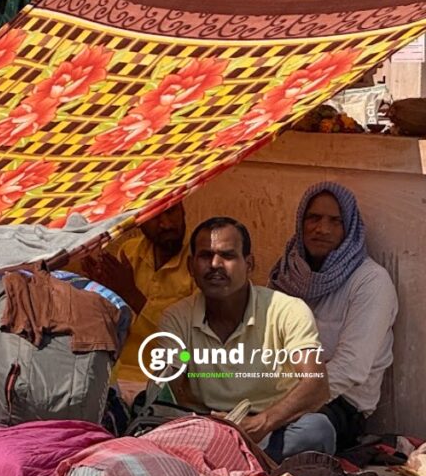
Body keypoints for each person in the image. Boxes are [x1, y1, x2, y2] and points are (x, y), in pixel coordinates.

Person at [157, 217, 334, 461]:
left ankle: (226, 463)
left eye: (227, 256)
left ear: (249, 264)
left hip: (270, 429)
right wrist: (208, 425)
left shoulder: (287, 310)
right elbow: (166, 388)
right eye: (205, 256)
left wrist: (260, 423)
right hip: (206, 430)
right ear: (191, 266)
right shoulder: (177, 318)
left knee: (316, 431)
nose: (215, 265)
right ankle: (236, 461)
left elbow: (316, 384)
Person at [269, 182, 398, 451]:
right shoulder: (288, 273)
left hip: (337, 403)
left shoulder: (370, 281)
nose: (322, 229)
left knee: (307, 435)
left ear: (349, 229)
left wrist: (278, 410)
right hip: (275, 390)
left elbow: (350, 368)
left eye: (335, 221)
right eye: (313, 218)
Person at [79, 203, 194, 401]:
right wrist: (101, 292)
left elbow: (188, 340)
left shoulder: (200, 260)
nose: (166, 224)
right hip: (118, 376)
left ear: (183, 209)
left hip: (170, 382)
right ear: (138, 222)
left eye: (171, 211)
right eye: (155, 216)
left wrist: (132, 296)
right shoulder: (129, 252)